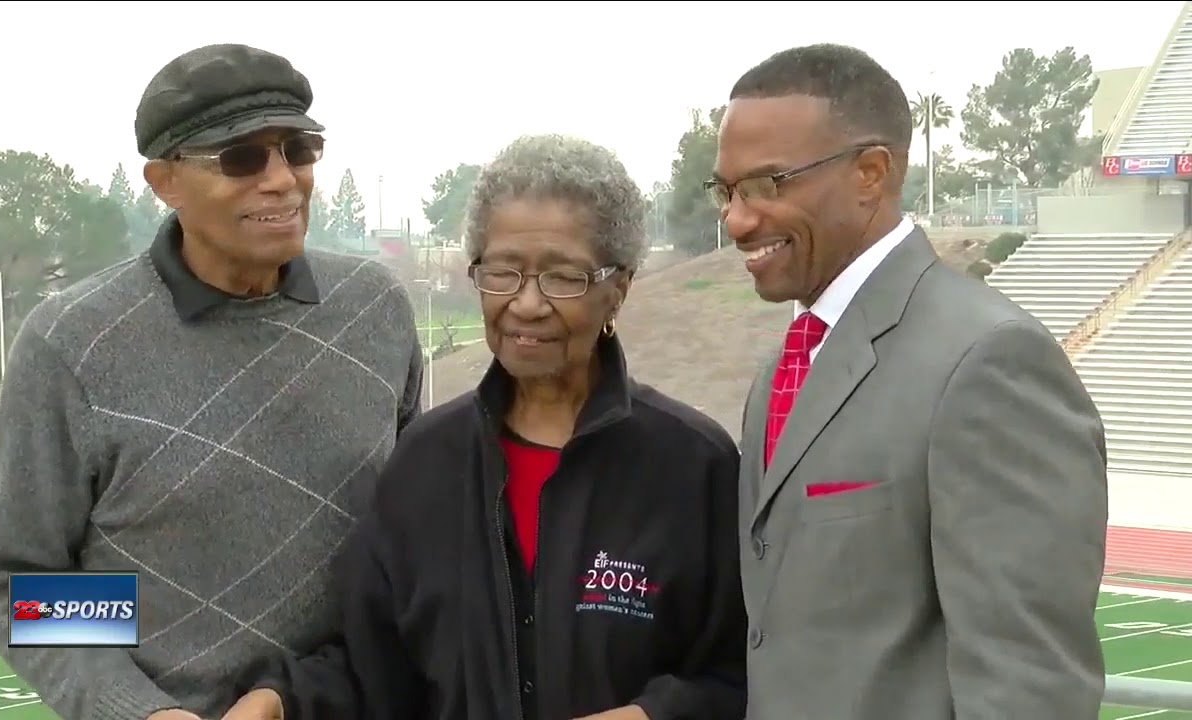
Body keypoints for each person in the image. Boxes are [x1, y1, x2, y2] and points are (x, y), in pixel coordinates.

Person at [0, 43, 423, 720]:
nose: (281, 180)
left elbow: (409, 549)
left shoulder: (374, 308)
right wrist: (142, 708)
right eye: (241, 158)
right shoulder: (72, 343)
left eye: (298, 149)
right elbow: (21, 586)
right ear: (165, 182)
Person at [225, 134, 747, 720]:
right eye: (502, 273)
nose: (525, 304)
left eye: (562, 277)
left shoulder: (693, 465)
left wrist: (652, 715)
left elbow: (740, 672)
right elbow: (375, 668)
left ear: (618, 289)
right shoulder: (426, 462)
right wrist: (280, 702)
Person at [713, 44, 1109, 719]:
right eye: (725, 192)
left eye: (767, 185)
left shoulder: (988, 360)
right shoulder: (787, 362)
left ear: (871, 172)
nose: (737, 219)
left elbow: (1030, 687)